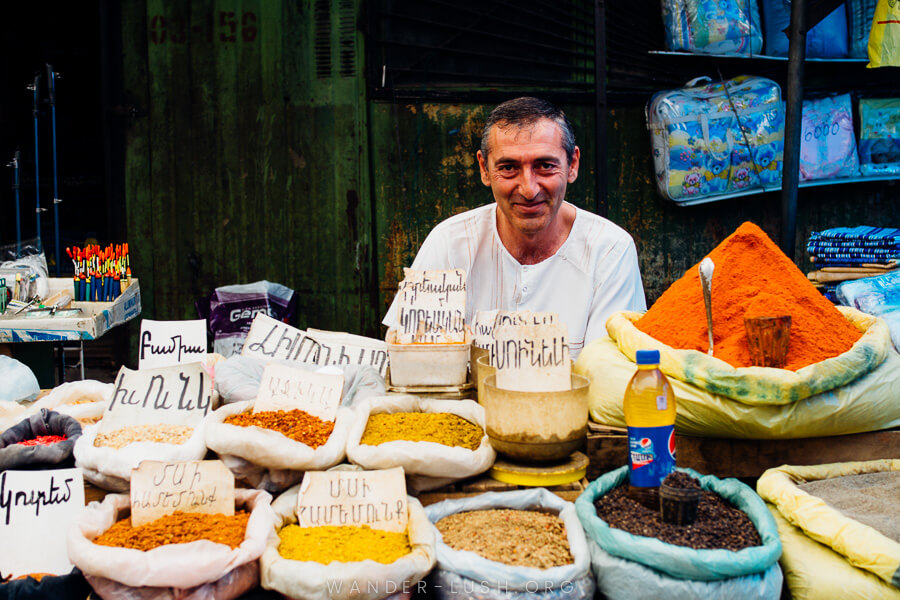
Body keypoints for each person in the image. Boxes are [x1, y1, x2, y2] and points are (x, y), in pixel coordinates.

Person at [383, 97, 646, 358]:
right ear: (484, 169)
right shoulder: (450, 243)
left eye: (545, 166)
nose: (529, 189)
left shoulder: (609, 250)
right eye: (508, 167)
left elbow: (607, 372)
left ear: (572, 165)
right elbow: (409, 358)